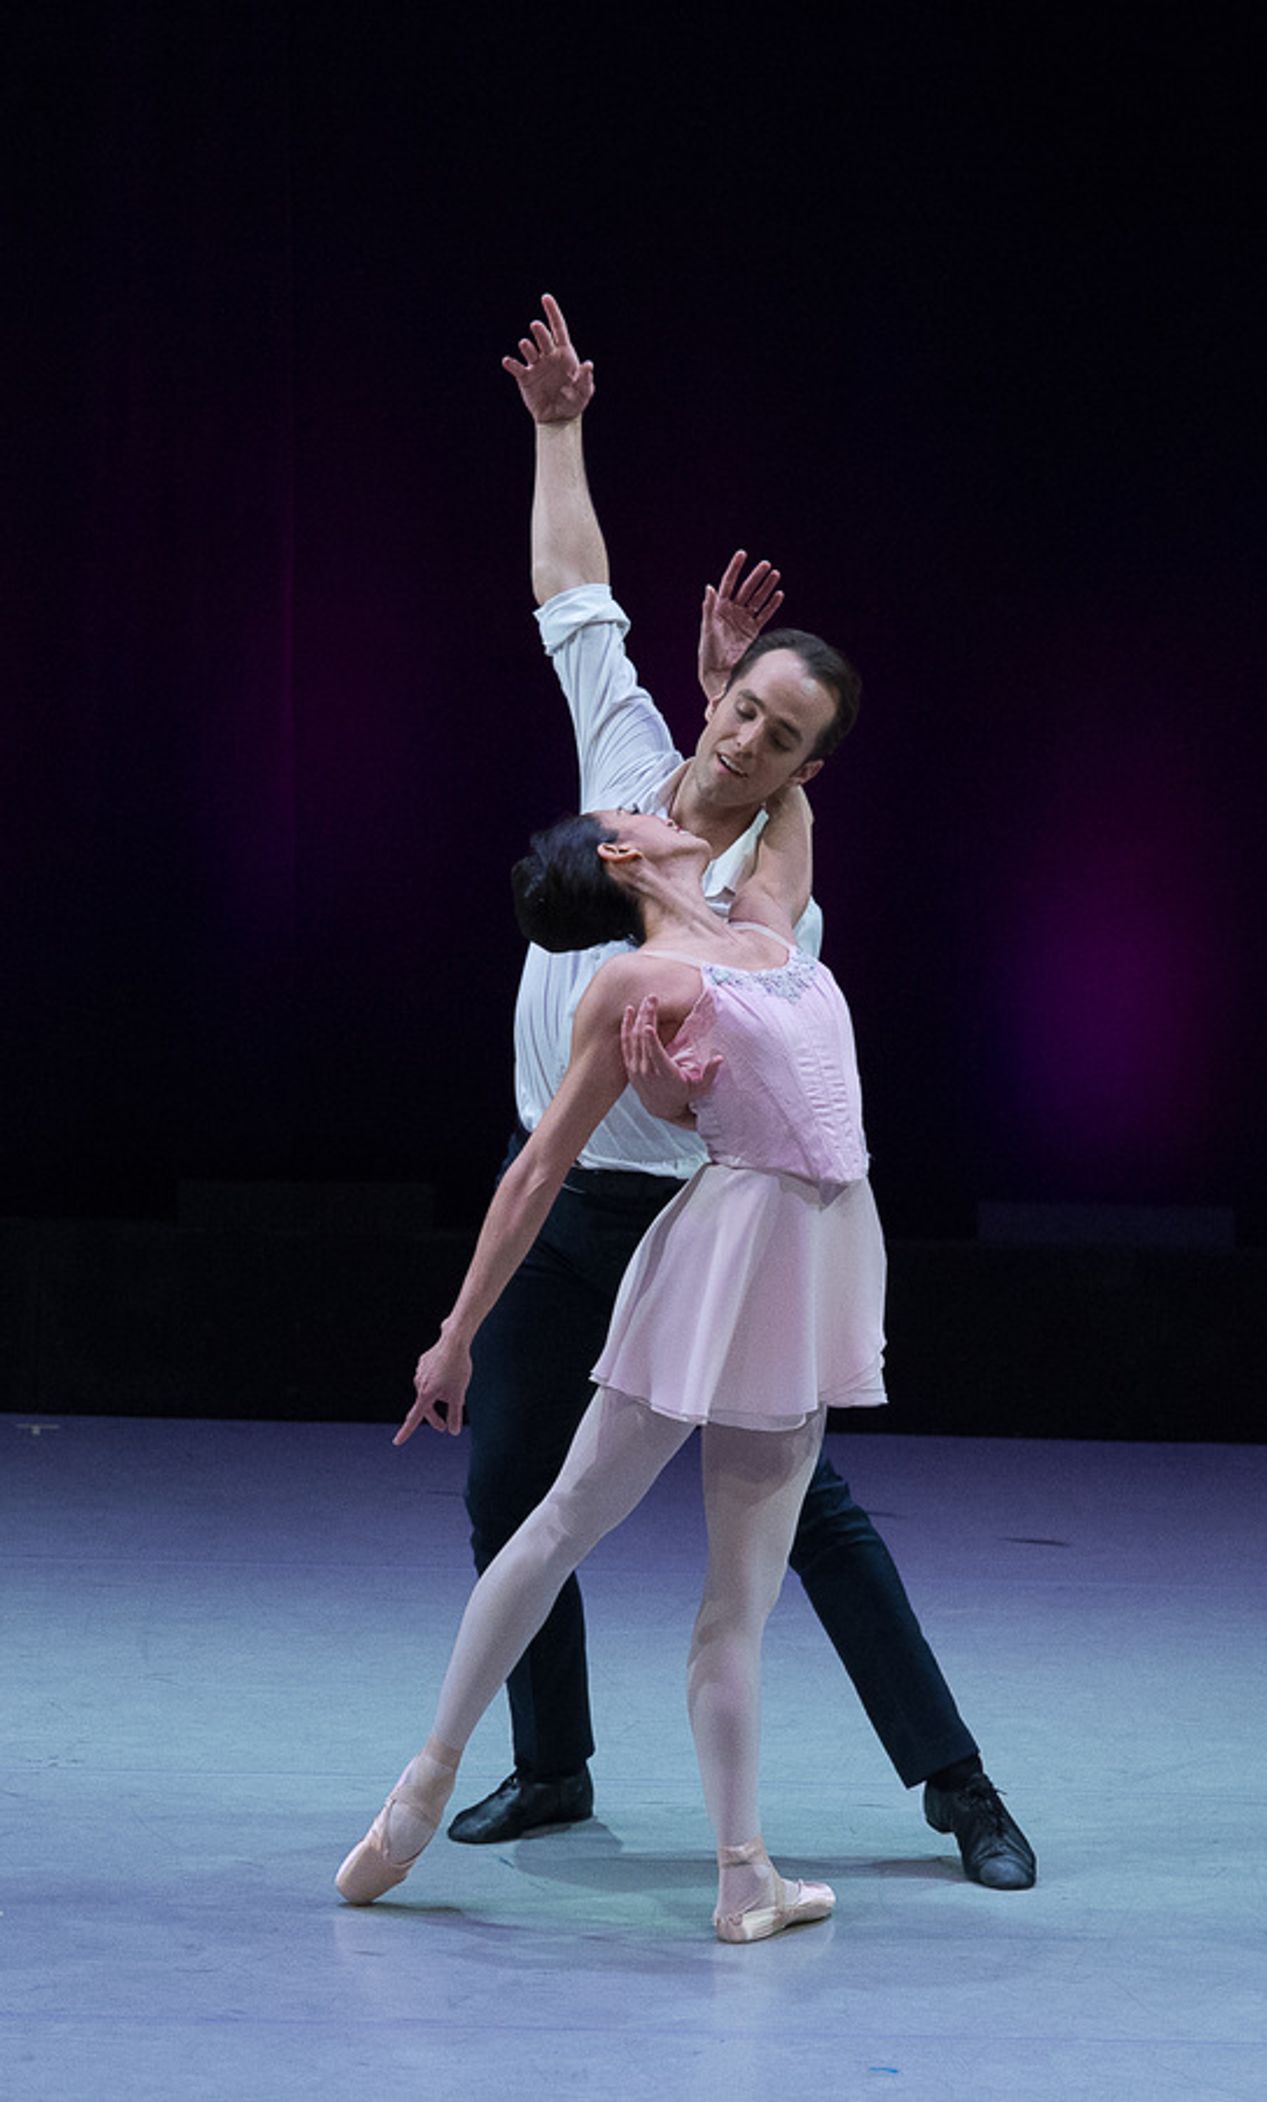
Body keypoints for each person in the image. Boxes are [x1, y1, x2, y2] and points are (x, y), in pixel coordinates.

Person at [451, 295, 1035, 1890]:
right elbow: (575, 591)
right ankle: (551, 1765)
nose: (742, 728)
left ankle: (958, 1783)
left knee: (810, 1513)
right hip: (558, 1200)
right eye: (742, 701)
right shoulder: (628, 746)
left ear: (800, 774)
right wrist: (560, 431)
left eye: (780, 731)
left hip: (693, 1232)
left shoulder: (779, 917)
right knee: (510, 1487)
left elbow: (759, 1081)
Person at [337, 788, 880, 1941]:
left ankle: (745, 1880)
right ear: (623, 852)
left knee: (739, 1601)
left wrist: (733, 681)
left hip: (803, 1274)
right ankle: (416, 1792)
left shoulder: (761, 927)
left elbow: (786, 780)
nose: (675, 785)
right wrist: (457, 1332)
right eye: (631, 806)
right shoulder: (632, 982)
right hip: (719, 1267)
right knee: (562, 1515)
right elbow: (534, 1173)